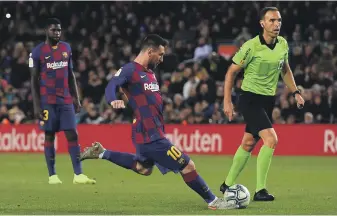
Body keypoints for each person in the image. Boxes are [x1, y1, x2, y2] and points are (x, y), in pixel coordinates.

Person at [80, 34, 239, 210]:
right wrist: (112, 100)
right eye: (160, 54)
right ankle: (213, 201)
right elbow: (112, 85)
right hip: (150, 134)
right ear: (150, 51)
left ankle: (102, 153)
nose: (162, 59)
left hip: (150, 131)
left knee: (143, 168)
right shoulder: (130, 70)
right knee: (187, 165)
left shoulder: (150, 73)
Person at [219, 7, 305, 201]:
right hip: (249, 98)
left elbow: (285, 69)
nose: (277, 24)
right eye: (272, 20)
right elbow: (231, 73)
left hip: (268, 99)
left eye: (279, 20)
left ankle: (227, 184)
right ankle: (260, 190)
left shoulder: (283, 44)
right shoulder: (251, 46)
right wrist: (227, 101)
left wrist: (296, 92)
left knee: (248, 143)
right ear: (262, 24)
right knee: (271, 139)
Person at [29, 18, 96, 185]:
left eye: (59, 30)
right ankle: (52, 175)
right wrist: (36, 105)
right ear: (46, 31)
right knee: (50, 135)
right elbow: (33, 81)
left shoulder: (66, 48)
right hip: (47, 101)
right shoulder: (37, 52)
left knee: (72, 133)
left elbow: (71, 75)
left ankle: (78, 174)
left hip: (65, 99)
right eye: (54, 30)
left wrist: (76, 98)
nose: (57, 33)